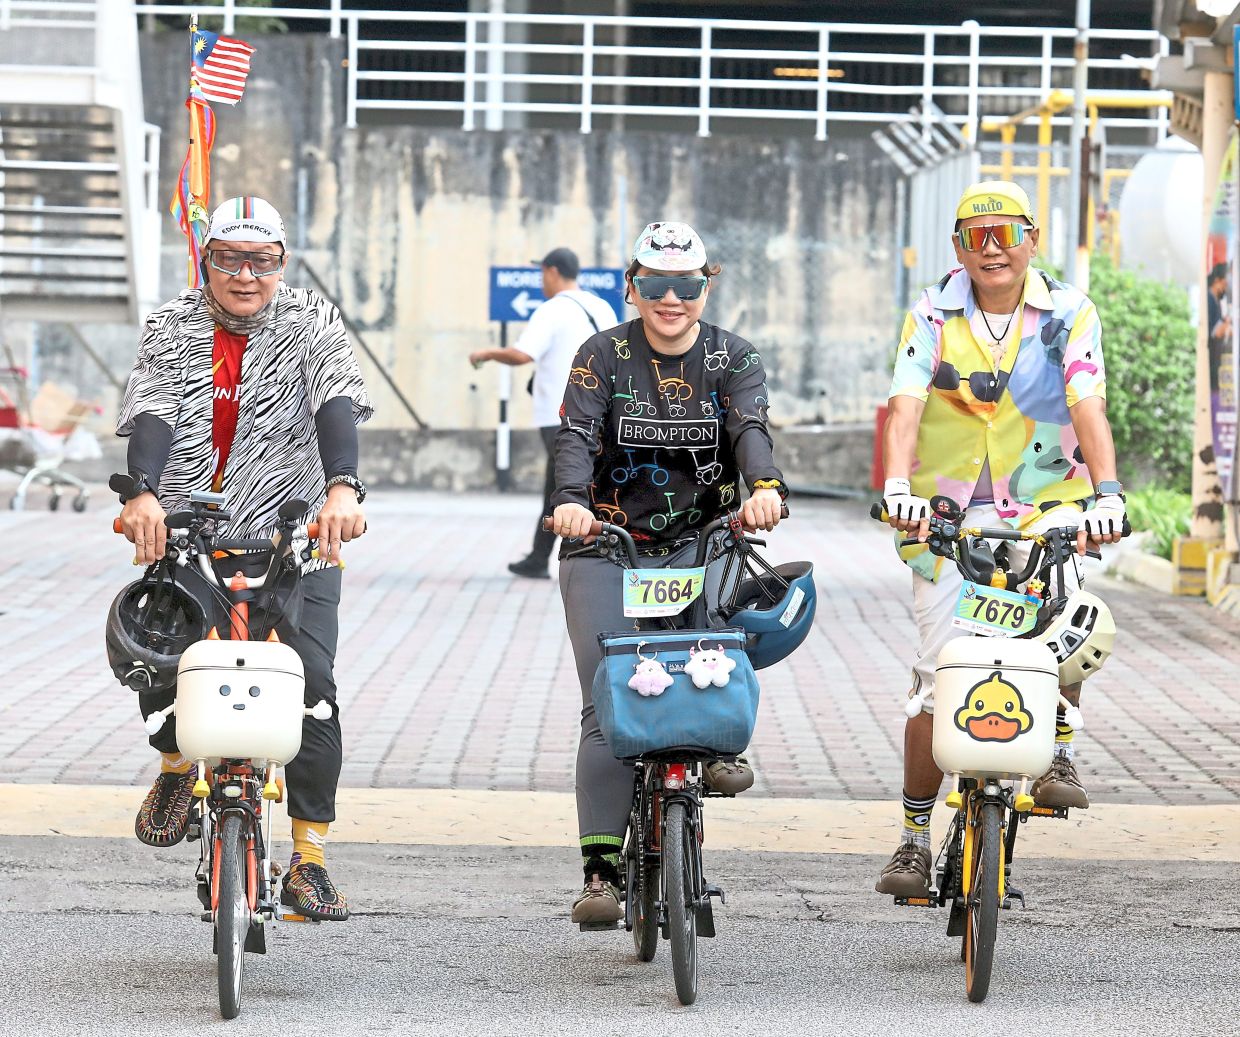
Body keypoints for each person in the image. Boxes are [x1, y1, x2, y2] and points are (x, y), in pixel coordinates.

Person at [111, 196, 371, 920]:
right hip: (190, 524)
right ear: (208, 260)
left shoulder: (311, 320)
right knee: (154, 649)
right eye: (229, 258)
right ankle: (172, 767)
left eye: (260, 261)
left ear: (281, 263)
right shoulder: (170, 323)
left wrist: (342, 491)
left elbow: (337, 401)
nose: (245, 274)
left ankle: (310, 857)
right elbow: (155, 409)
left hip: (300, 528)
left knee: (311, 683)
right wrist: (144, 494)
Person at [874, 181, 1126, 898]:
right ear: (957, 248)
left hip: (1047, 500)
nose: (993, 250)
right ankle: (914, 837)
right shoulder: (929, 311)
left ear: (1032, 240)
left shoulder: (1071, 312)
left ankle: (1059, 754)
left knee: (1073, 622)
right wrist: (898, 487)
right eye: (976, 236)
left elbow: (1087, 399)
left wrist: (1106, 493)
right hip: (943, 515)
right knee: (933, 680)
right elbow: (905, 403)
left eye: (1006, 234)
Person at [550, 221, 787, 923]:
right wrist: (569, 504)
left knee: (708, 676)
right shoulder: (601, 355)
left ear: (704, 286)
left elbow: (750, 429)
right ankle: (600, 873)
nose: (671, 298)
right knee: (609, 698)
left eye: (686, 285)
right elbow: (575, 435)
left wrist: (765, 488)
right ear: (633, 287)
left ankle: (712, 749)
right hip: (606, 544)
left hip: (703, 543)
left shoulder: (732, 358)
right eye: (656, 284)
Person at [469, 248, 618, 579]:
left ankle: (577, 557)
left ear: (552, 272)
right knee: (578, 484)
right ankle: (544, 556)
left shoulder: (551, 310)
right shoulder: (602, 307)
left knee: (566, 486)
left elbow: (524, 354)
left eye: (542, 274)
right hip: (603, 414)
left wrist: (487, 352)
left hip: (560, 416)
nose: (542, 281)